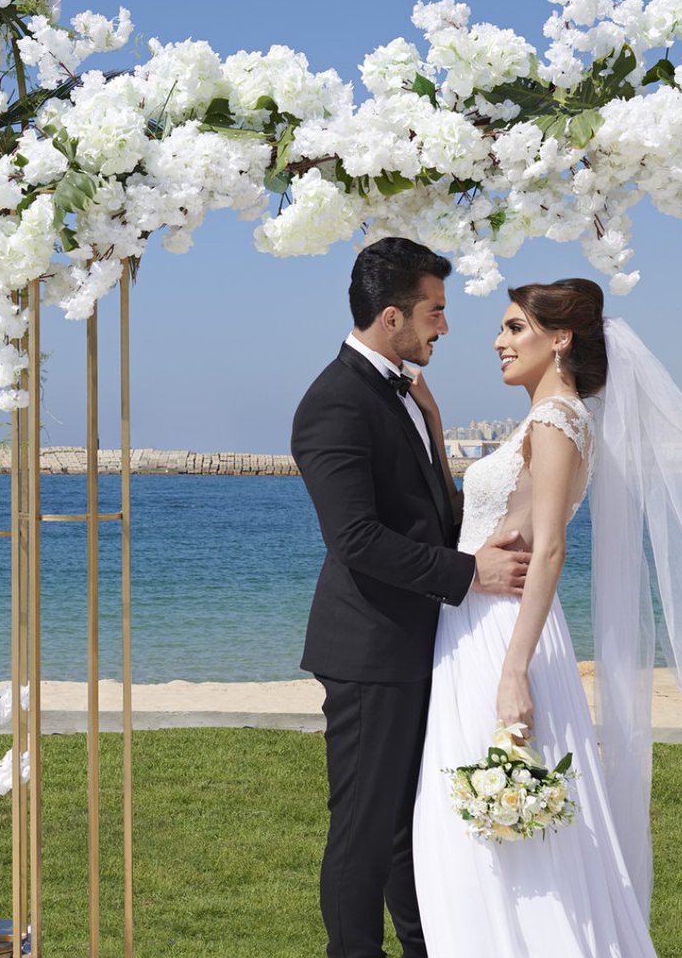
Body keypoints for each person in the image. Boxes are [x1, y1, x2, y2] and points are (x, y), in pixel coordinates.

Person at [411, 277, 682, 956]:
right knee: (471, 827)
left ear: (561, 338)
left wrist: (514, 671)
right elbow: (475, 521)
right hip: (474, 622)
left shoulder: (557, 420)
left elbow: (550, 548)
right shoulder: (542, 419)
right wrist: (437, 423)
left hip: (503, 633)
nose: (498, 341)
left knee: (497, 831)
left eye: (514, 328)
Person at [292, 237, 531, 958]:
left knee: (408, 827)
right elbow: (357, 539)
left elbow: (426, 516)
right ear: (392, 316)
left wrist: (434, 426)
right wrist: (470, 575)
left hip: (417, 644)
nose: (446, 327)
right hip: (370, 651)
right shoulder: (334, 402)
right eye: (436, 311)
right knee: (364, 832)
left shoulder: (403, 395)